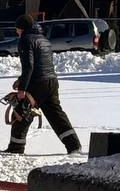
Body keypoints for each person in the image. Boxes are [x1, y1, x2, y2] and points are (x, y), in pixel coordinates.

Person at [6, 14, 82, 155]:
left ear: (22, 28)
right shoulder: (44, 40)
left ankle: (15, 148)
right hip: (51, 82)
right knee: (56, 115)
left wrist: (22, 89)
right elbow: (41, 64)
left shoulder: (25, 40)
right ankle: (74, 146)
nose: (16, 31)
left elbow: (29, 66)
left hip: (37, 83)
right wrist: (21, 79)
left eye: (17, 29)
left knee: (21, 112)